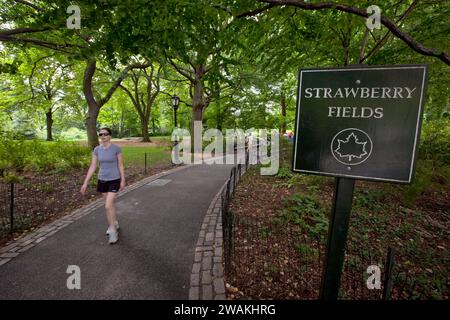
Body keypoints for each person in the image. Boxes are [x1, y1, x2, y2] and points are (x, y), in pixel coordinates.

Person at [80, 127, 125, 244]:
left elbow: (120, 165)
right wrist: (85, 182)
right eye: (101, 134)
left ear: (110, 136)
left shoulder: (116, 149)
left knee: (107, 205)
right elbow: (93, 166)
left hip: (114, 179)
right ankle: (114, 223)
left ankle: (113, 231)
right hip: (102, 180)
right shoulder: (97, 150)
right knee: (109, 206)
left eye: (105, 134)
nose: (103, 136)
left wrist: (123, 180)